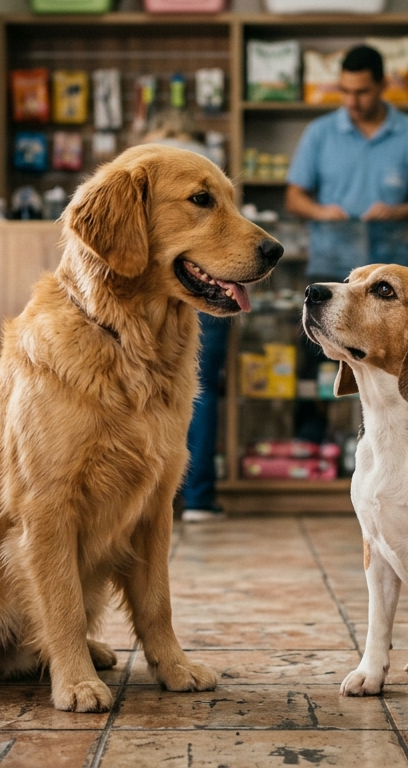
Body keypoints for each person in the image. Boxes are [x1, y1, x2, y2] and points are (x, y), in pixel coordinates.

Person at [285, 44, 408, 442]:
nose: (353, 101)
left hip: (391, 276)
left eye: (362, 92)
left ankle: (406, 444)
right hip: (331, 263)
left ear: (383, 86)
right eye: (345, 91)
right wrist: (322, 213)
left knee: (392, 365)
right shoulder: (320, 132)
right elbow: (294, 197)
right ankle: (313, 446)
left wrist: (399, 211)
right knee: (316, 364)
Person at [144, 111, 231, 523]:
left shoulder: (154, 168)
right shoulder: (207, 167)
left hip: (172, 288)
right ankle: (198, 497)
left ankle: (150, 502)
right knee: (201, 392)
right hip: (210, 286)